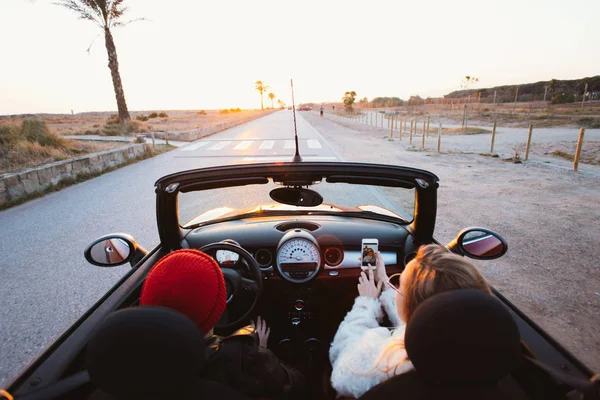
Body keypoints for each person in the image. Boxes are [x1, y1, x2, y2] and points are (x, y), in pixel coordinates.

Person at [329, 244, 492, 399]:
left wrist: (366, 303)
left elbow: (341, 364)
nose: (398, 289)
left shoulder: (390, 361)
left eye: (401, 286)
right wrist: (385, 282)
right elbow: (418, 317)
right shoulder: (483, 356)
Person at [140, 249, 304, 398]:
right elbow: (296, 387)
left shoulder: (132, 358)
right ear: (219, 305)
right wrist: (262, 352)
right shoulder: (245, 359)